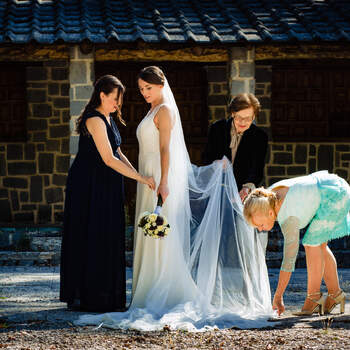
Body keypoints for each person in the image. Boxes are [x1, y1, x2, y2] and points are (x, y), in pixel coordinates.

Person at [76, 67, 273, 330]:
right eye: (142, 89)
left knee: (160, 235)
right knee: (149, 234)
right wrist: (140, 177)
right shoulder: (151, 110)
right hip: (147, 178)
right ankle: (145, 291)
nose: (145, 93)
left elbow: (165, 148)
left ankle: (162, 289)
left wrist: (164, 181)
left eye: (149, 88)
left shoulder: (165, 110)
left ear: (161, 85)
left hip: (159, 177)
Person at [60, 75, 155, 312]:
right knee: (92, 235)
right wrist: (141, 178)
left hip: (107, 185)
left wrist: (139, 177)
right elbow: (108, 159)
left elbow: (119, 153)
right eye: (115, 99)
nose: (117, 104)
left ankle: (108, 295)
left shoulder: (109, 118)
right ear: (102, 95)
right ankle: (90, 296)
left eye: (119, 101)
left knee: (108, 235)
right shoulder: (94, 119)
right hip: (89, 187)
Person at [243, 171, 350, 316]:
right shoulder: (269, 196)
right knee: (319, 245)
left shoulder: (288, 217)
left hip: (334, 196)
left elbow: (289, 261)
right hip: (331, 184)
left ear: (269, 214)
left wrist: (278, 295)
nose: (260, 229)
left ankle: (313, 297)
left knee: (311, 243)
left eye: (260, 225)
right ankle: (335, 294)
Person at [202, 93, 268, 203]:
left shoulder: (260, 136)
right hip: (217, 190)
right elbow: (206, 158)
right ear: (233, 113)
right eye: (239, 117)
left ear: (254, 116)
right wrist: (216, 163)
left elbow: (257, 169)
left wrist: (247, 188)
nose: (243, 122)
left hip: (242, 194)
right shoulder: (217, 128)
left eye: (248, 119)